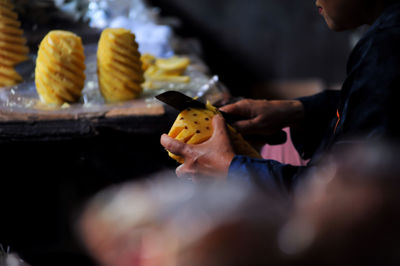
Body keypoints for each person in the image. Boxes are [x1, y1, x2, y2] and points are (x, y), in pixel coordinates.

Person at [161, 0, 400, 192]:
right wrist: (301, 112)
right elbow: (375, 110)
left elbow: (351, 192)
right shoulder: (383, 41)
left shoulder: (386, 51)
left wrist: (233, 170)